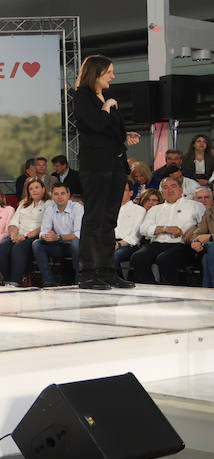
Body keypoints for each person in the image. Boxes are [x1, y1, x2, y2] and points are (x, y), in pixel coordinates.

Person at [71, 54, 142, 289]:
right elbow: (94, 125)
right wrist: (106, 107)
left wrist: (125, 135)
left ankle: (107, 270)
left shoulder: (107, 97)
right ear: (97, 73)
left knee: (110, 219)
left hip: (114, 164)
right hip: (96, 166)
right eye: (109, 71)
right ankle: (88, 273)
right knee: (94, 218)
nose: (113, 76)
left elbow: (109, 130)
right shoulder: (82, 96)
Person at [130, 176, 204, 284]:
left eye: (173, 186)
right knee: (138, 257)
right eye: (165, 187)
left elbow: (205, 224)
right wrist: (165, 229)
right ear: (161, 191)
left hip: (182, 245)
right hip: (156, 244)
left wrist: (195, 228)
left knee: (165, 259)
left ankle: (178, 288)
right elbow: (144, 228)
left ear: (181, 189)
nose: (169, 190)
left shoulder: (195, 206)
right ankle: (151, 287)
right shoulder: (156, 209)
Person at [0, 177, 48, 286]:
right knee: (0, 248)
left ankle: (15, 281)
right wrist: (14, 235)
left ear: (43, 189)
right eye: (31, 188)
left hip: (34, 236)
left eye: (37, 187)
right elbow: (13, 223)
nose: (34, 191)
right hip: (18, 235)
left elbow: (45, 225)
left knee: (18, 247)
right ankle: (7, 280)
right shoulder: (24, 204)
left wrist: (26, 236)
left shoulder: (49, 204)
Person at [31, 183, 84, 287]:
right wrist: (47, 236)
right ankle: (48, 282)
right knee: (37, 244)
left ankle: (80, 280)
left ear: (68, 195)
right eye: (56, 194)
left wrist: (58, 237)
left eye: (62, 193)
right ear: (52, 196)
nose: (59, 196)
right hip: (59, 244)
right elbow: (43, 231)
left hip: (76, 245)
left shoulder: (77, 208)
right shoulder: (50, 209)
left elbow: (79, 234)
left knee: (75, 243)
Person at [188, 193, 214, 287]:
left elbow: (209, 237)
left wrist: (211, 237)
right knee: (207, 252)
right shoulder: (210, 211)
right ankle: (207, 292)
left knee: (211, 248)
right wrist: (196, 241)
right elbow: (198, 232)